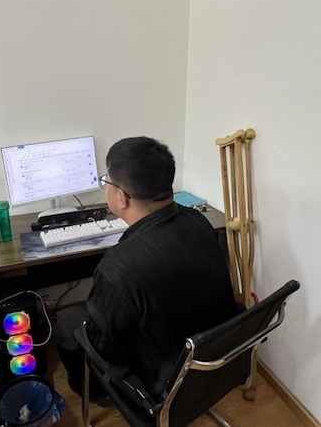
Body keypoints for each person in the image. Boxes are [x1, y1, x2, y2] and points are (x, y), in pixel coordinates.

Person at [53, 136, 238, 404]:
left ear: (121, 197)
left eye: (106, 182)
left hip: (163, 385)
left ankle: (97, 393)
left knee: (68, 319)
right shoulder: (198, 220)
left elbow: (105, 349)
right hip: (214, 360)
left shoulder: (118, 268)